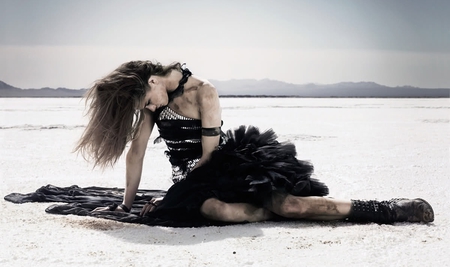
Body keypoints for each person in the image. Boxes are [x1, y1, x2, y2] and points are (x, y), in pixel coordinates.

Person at [70, 60, 433, 226]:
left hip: (225, 165)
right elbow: (136, 153)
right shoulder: (153, 100)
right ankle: (266, 212)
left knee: (290, 206)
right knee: (219, 212)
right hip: (190, 180)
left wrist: (174, 196)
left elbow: (210, 157)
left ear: (152, 81)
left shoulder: (203, 92)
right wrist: (125, 205)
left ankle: (390, 208)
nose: (148, 109)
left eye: (146, 102)